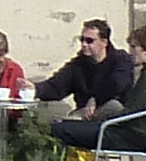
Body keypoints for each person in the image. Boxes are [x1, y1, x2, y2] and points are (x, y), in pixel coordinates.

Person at [39, 19, 136, 150]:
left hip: (115, 124)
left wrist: (96, 98)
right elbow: (57, 86)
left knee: (114, 105)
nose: (84, 44)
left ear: (104, 42)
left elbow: (117, 84)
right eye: (82, 40)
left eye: (89, 41)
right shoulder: (78, 64)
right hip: (86, 117)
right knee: (57, 127)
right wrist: (34, 89)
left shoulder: (121, 60)